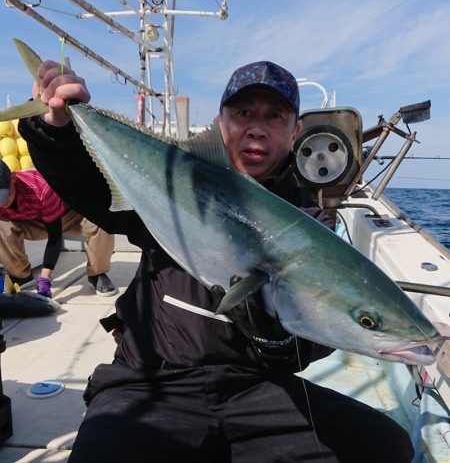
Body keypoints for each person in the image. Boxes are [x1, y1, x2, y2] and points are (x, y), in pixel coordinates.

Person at [18, 60, 414, 463]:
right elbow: (85, 185)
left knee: (387, 447)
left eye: (274, 115)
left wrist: (275, 342)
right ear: (220, 121)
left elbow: (314, 335)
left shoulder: (308, 222)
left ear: (295, 132)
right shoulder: (171, 177)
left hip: (254, 389)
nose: (256, 127)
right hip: (151, 379)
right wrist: (56, 129)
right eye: (243, 113)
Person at [0, 160, 117, 297]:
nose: (2, 203)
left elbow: (55, 237)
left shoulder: (41, 187)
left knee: (101, 221)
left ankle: (97, 273)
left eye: (3, 195)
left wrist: (45, 277)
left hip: (68, 216)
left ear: (13, 178)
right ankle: (20, 275)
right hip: (30, 221)